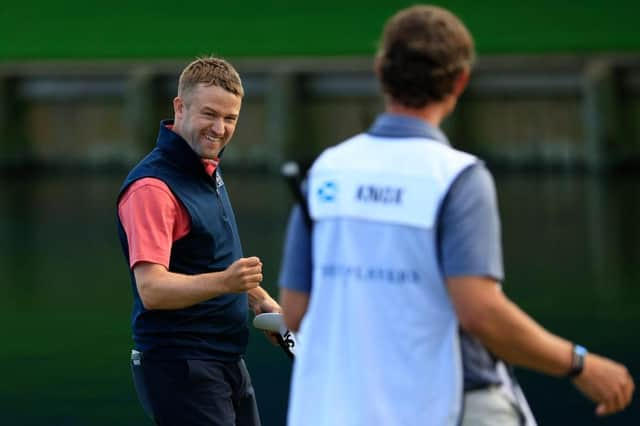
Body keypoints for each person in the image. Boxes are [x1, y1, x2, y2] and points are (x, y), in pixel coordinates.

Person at [278, 5, 634, 426]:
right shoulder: (456, 177)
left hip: (341, 407)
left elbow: (295, 311)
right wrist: (580, 364)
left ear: (380, 70)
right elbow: (480, 312)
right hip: (446, 405)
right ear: (460, 82)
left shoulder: (325, 171)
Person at [116, 56, 280, 426]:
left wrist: (260, 301)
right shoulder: (153, 188)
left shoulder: (204, 168)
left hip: (224, 361)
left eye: (231, 118)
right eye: (209, 114)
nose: (219, 129)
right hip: (181, 368)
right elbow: (152, 289)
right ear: (180, 107)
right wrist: (228, 283)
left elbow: (205, 259)